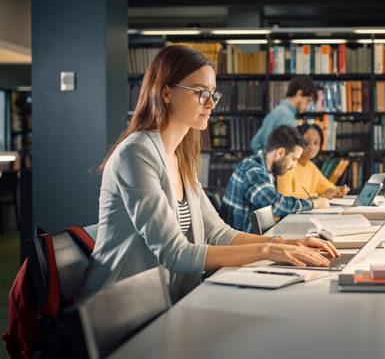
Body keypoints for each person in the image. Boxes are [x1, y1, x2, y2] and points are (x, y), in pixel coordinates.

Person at [80, 46, 338, 302]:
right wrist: (268, 250)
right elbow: (174, 253)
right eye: (201, 93)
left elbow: (219, 233)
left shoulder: (181, 156)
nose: (211, 103)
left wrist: (285, 244)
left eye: (213, 94)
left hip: (164, 301)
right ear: (166, 93)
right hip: (116, 311)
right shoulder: (136, 154)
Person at [222, 125, 331, 233]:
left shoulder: (266, 170)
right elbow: (275, 204)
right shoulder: (252, 170)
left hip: (255, 238)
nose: (294, 165)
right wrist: (313, 204)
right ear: (280, 153)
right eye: (294, 159)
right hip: (242, 244)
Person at [276, 123, 350, 199]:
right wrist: (318, 196)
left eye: (316, 143)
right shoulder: (287, 165)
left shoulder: (311, 167)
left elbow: (328, 187)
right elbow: (284, 196)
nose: (311, 147)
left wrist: (337, 191)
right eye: (307, 142)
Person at [250, 76, 317, 153]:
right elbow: (287, 152)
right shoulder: (286, 116)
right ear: (299, 93)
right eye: (308, 101)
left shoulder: (279, 111)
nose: (307, 106)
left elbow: (255, 143)